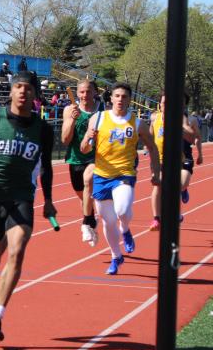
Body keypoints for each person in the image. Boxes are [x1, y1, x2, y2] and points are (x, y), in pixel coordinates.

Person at [0, 70, 56, 341]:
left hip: (22, 196)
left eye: (28, 88)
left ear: (35, 95)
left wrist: (49, 201)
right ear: (11, 91)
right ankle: (1, 238)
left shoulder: (43, 129)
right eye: (18, 87)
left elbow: (47, 167)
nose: (23, 92)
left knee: (17, 252)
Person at [80, 82, 160, 275]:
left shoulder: (137, 123)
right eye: (117, 96)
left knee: (122, 210)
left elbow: (153, 148)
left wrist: (155, 172)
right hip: (101, 176)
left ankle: (125, 228)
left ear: (130, 100)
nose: (120, 100)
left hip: (125, 174)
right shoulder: (98, 118)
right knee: (108, 222)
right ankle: (116, 256)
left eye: (124, 96)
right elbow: (84, 149)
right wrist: (88, 137)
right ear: (111, 98)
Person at [149, 93, 203, 230]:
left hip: (183, 157)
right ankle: (157, 219)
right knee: (158, 186)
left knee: (180, 185)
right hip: (162, 159)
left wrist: (200, 154)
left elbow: (195, 137)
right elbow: (150, 136)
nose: (165, 105)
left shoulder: (186, 119)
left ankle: (182, 191)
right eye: (163, 103)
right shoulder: (155, 117)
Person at [61, 79, 100, 247]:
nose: (85, 95)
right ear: (77, 93)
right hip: (75, 158)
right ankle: (91, 219)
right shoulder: (69, 110)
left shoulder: (102, 111)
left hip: (97, 157)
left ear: (95, 92)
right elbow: (65, 139)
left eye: (89, 91)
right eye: (82, 92)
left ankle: (86, 222)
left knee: (88, 181)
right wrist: (72, 120)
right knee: (83, 195)